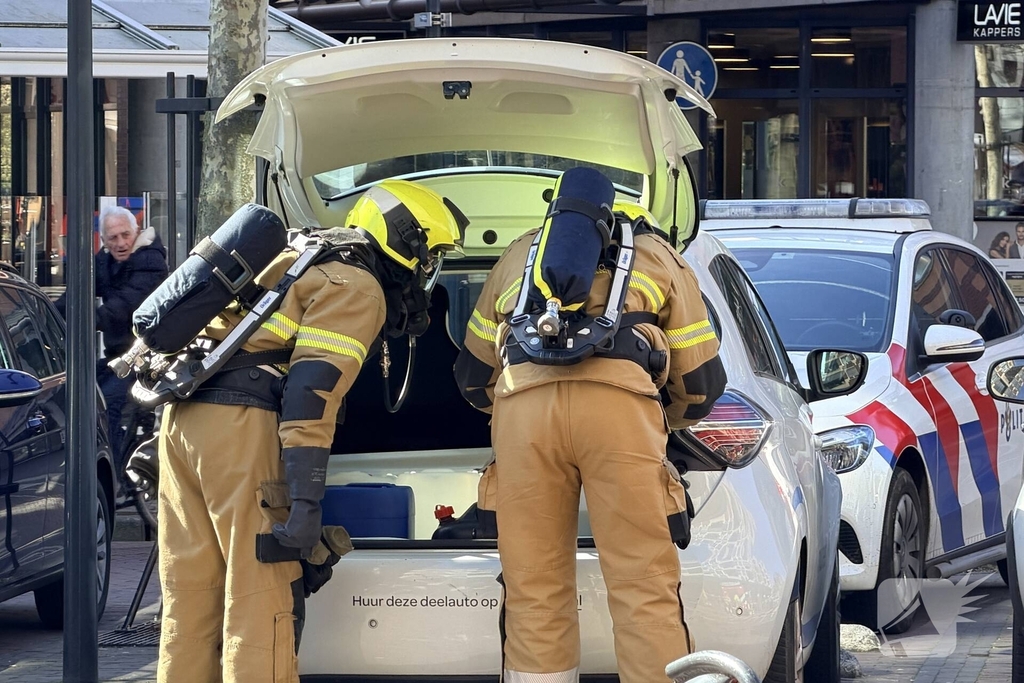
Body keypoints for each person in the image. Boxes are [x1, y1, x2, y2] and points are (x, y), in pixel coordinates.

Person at [154, 180, 465, 683]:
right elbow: (310, 394)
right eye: (430, 255)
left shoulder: (298, 255)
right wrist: (304, 500)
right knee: (262, 604)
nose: (427, 271)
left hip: (182, 422)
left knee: (190, 602)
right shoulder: (355, 285)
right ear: (407, 240)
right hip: (241, 430)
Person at [455, 169, 726, 683]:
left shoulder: (519, 255)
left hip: (523, 413)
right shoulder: (657, 255)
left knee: (533, 587)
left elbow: (471, 377)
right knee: (642, 583)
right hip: (620, 414)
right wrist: (660, 422)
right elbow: (702, 382)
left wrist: (514, 410)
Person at [56, 206, 167, 465]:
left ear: (136, 232)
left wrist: (89, 320)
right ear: (104, 241)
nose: (120, 243)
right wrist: (49, 314)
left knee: (106, 404)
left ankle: (113, 474)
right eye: (113, 238)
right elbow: (78, 291)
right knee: (72, 387)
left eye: (125, 235)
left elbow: (125, 305)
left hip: (147, 358)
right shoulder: (106, 260)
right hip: (119, 356)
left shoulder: (150, 261)